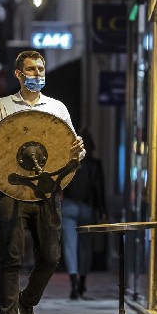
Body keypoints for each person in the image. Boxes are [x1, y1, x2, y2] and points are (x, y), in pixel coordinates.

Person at [0, 50, 85, 314]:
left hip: (47, 192)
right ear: (18, 74)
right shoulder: (1, 106)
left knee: (50, 256)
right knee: (10, 257)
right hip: (11, 189)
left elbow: (70, 149)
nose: (37, 74)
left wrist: (79, 150)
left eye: (40, 69)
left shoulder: (57, 109)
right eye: (32, 70)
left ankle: (27, 301)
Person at [61, 128, 106, 299]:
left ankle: (73, 283)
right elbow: (99, 189)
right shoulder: (95, 164)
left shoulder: (69, 162)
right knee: (85, 247)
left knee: (70, 246)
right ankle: (82, 282)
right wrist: (102, 210)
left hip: (69, 206)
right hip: (88, 207)